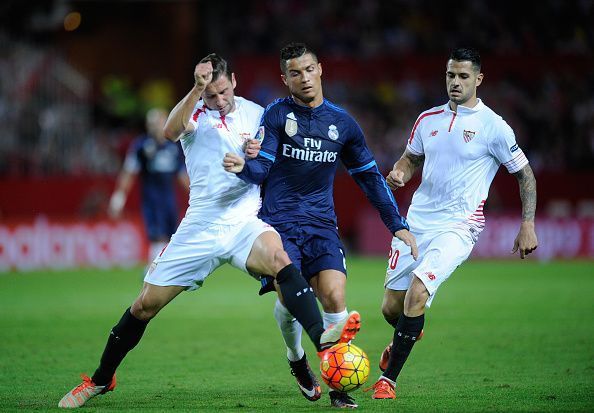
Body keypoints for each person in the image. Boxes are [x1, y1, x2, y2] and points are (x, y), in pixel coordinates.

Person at [58, 53, 361, 409]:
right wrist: (196, 89)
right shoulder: (194, 115)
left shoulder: (257, 113)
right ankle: (100, 380)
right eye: (209, 94)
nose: (217, 100)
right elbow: (171, 130)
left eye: (221, 91)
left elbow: (271, 160)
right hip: (200, 227)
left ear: (233, 80)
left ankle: (323, 345)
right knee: (144, 306)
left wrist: (256, 156)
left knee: (281, 260)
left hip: (244, 220)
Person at [223, 42, 417, 409]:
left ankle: (338, 385)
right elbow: (262, 167)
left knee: (334, 296)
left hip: (322, 225)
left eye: (309, 69)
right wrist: (243, 168)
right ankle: (296, 357)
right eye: (295, 73)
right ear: (285, 78)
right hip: (278, 223)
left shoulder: (342, 123)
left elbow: (370, 178)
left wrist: (397, 224)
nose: (304, 78)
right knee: (291, 298)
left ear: (320, 69)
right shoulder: (275, 116)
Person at [365, 48, 538, 400]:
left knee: (417, 293)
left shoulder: (494, 127)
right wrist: (400, 172)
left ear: (478, 79)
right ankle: (408, 332)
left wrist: (528, 223)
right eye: (450, 76)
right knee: (390, 308)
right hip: (415, 222)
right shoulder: (427, 119)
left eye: (462, 76)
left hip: (459, 226)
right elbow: (411, 158)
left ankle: (388, 380)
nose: (455, 82)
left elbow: (525, 175)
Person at [108, 108, 189, 263]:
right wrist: (119, 197)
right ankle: (154, 272)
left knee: (172, 237)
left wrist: (195, 195)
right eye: (151, 123)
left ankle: (163, 270)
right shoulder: (141, 146)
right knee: (157, 237)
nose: (154, 126)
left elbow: (182, 174)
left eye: (158, 122)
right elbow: (129, 172)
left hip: (170, 200)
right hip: (152, 200)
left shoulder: (174, 146)